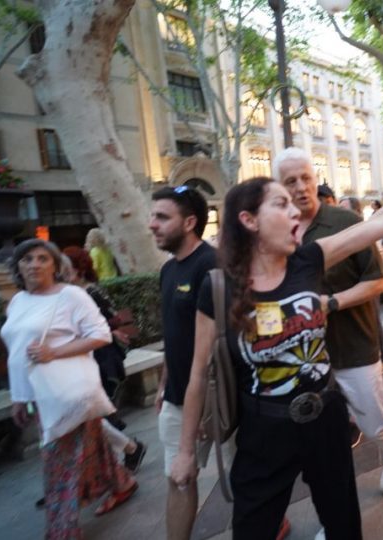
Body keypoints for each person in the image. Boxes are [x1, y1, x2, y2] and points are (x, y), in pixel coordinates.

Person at [170, 173, 383, 539]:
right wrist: (185, 452)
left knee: (343, 525)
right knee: (252, 528)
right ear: (248, 220)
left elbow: (381, 224)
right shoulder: (218, 287)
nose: (295, 212)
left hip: (324, 417)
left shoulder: (309, 260)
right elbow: (198, 373)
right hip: (263, 430)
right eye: (281, 204)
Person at [274, 147, 383, 493]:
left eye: (306, 178)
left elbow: (378, 280)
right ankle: (335, 519)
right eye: (291, 181)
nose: (301, 187)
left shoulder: (344, 222)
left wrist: (331, 303)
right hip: (303, 359)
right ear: (278, 187)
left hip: (354, 347)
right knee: (324, 438)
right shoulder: (275, 232)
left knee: (373, 423)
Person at [1, 239, 137, 539]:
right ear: (18, 267)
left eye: (42, 259)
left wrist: (54, 353)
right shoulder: (18, 302)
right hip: (42, 395)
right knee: (88, 447)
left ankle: (62, 531)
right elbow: (16, 354)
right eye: (27, 259)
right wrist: (19, 398)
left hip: (70, 395)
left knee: (57, 464)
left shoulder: (71, 296)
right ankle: (122, 483)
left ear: (55, 265)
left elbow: (101, 335)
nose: (34, 264)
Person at [148, 186, 217, 540]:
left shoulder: (214, 265)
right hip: (176, 397)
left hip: (219, 401)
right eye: (153, 216)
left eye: (162, 217)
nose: (151, 224)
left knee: (250, 477)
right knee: (178, 478)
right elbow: (174, 334)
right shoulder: (168, 271)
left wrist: (206, 407)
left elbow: (222, 343)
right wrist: (164, 382)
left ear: (189, 222)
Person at [61, 247, 147, 471]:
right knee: (88, 418)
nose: (61, 273)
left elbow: (113, 319)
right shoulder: (68, 294)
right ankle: (124, 451)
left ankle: (126, 451)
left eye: (65, 268)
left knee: (89, 418)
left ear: (79, 270)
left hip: (103, 362)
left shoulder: (89, 293)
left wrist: (100, 332)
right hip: (86, 362)